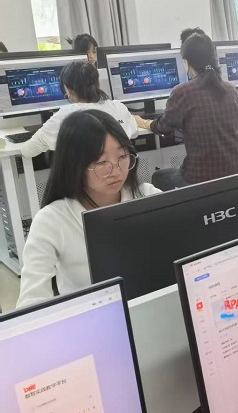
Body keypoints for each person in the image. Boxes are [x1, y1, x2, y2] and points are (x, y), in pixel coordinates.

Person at [17, 110, 160, 309]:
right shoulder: (52, 220)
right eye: (101, 162)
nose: (116, 170)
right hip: (93, 318)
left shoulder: (148, 196)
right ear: (74, 165)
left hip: (152, 308)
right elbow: (31, 303)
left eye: (122, 156)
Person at [137, 33, 238, 190]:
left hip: (199, 178)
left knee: (158, 177)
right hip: (236, 174)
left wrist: (143, 122)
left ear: (186, 62)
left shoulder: (183, 91)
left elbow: (163, 127)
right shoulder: (230, 89)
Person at [20, 60, 138, 158]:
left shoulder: (64, 116)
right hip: (120, 174)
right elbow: (134, 133)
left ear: (68, 90)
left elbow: (27, 151)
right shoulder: (119, 107)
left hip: (87, 178)